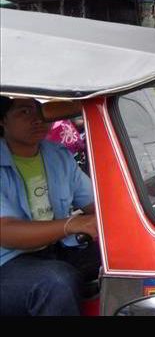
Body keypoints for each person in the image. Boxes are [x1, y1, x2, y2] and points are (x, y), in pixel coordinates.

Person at [0, 97, 99, 316]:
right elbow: (5, 231)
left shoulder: (57, 155)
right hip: (7, 262)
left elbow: (97, 204)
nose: (38, 119)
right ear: (2, 121)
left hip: (56, 249)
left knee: (116, 254)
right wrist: (71, 225)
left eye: (41, 111)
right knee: (56, 282)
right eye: (24, 112)